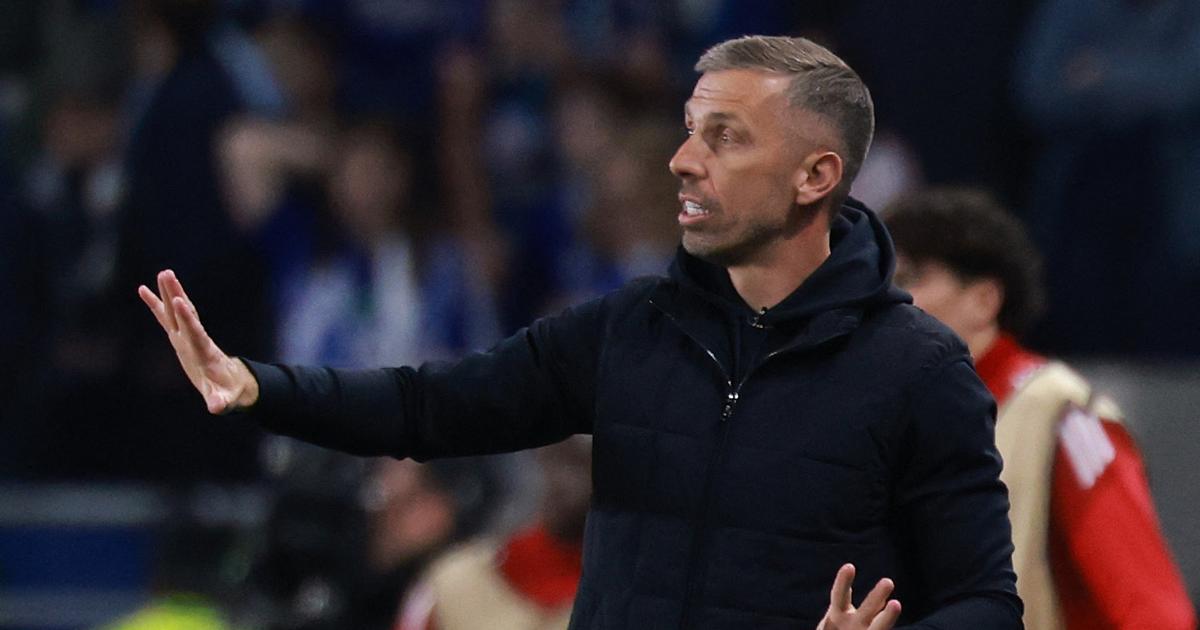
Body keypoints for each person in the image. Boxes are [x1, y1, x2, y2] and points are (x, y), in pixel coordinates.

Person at [138, 35, 1022, 628]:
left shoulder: (922, 372)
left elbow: (985, 600)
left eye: (725, 137)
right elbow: (427, 406)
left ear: (815, 175)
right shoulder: (628, 330)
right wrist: (257, 386)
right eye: (688, 132)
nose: (683, 159)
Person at [882, 187, 1196, 630]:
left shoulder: (1063, 417)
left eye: (910, 278)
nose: (888, 299)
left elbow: (1153, 612)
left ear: (984, 300)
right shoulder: (891, 421)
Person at [396, 436, 592, 630]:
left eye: (584, 465)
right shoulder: (455, 581)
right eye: (558, 460)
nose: (566, 482)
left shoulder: (616, 593)